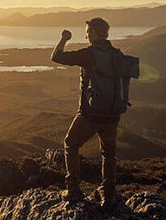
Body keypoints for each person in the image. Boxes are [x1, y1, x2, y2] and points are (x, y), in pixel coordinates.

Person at [50, 17, 138, 209]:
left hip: (91, 113)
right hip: (113, 114)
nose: (86, 35)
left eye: (88, 32)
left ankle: (73, 190)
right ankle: (108, 196)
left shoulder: (90, 54)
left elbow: (56, 57)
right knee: (108, 154)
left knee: (70, 143)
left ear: (94, 33)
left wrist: (64, 39)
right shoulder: (118, 54)